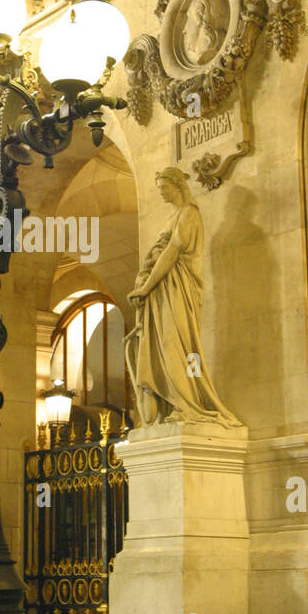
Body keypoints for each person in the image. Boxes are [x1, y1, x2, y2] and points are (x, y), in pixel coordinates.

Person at [127, 167, 241, 428]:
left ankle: (186, 403)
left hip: (177, 287)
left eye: (164, 188)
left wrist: (146, 287)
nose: (162, 194)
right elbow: (160, 253)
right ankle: (171, 402)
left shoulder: (190, 214)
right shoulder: (174, 216)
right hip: (162, 289)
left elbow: (172, 253)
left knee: (175, 344)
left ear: (177, 185)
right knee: (161, 346)